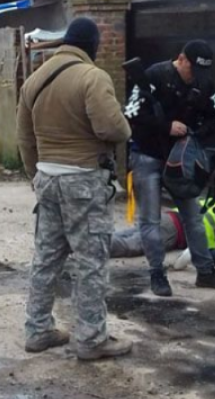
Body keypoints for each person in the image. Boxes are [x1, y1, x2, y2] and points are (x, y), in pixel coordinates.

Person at [17, 18, 133, 361]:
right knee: (90, 261)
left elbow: (24, 137)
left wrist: (36, 176)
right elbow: (111, 128)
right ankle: (91, 339)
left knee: (46, 259)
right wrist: (125, 126)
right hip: (83, 179)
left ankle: (38, 330)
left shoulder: (35, 79)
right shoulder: (92, 77)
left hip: (47, 179)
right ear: (92, 46)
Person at [124, 40, 215, 297]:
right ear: (181, 59)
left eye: (201, 71)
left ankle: (205, 271)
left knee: (193, 218)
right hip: (147, 155)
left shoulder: (204, 83)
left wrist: (193, 135)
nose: (195, 76)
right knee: (149, 220)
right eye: (192, 69)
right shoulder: (154, 76)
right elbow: (131, 113)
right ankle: (157, 273)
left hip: (181, 161)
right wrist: (166, 126)